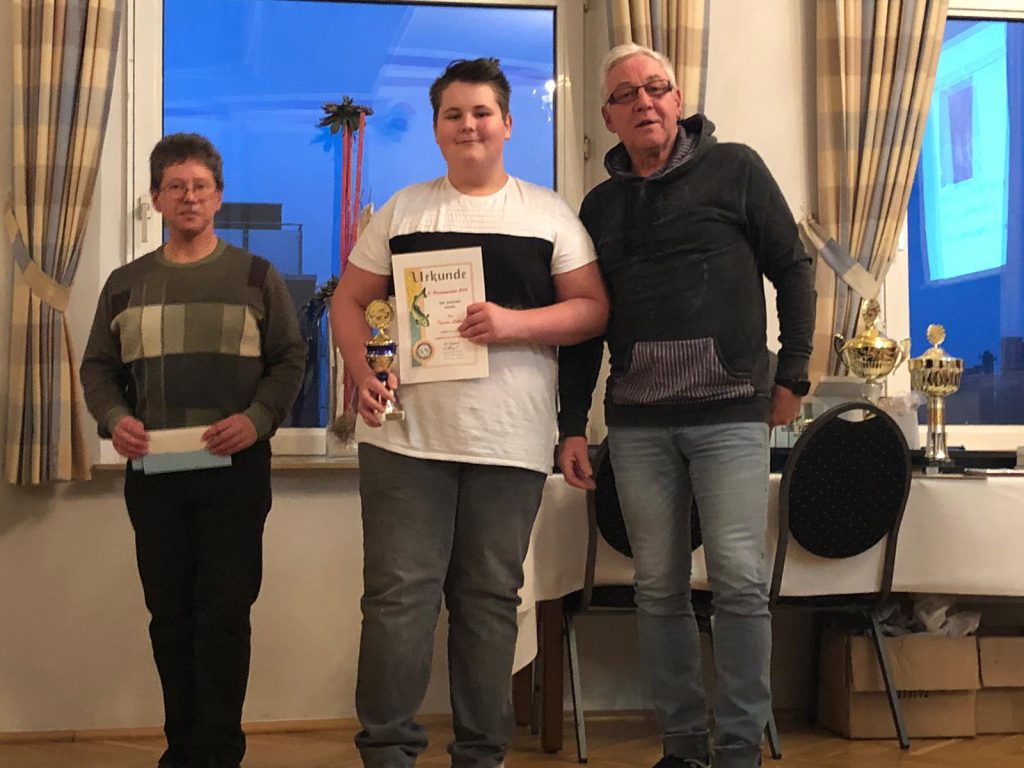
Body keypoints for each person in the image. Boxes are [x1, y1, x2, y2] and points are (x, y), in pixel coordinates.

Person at [330, 58, 608, 768]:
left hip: (509, 442)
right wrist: (362, 373)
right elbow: (349, 301)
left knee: (489, 601)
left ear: (507, 123)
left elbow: (591, 310)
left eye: (482, 112)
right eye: (453, 114)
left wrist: (513, 324)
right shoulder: (403, 211)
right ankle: (387, 753)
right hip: (403, 440)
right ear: (436, 129)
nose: (468, 125)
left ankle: (482, 755)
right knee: (397, 601)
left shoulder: (548, 213)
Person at [557, 44, 816, 768]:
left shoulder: (736, 168)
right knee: (657, 588)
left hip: (731, 413)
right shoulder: (598, 207)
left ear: (678, 99)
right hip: (637, 426)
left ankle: (738, 749)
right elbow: (584, 322)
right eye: (626, 94)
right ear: (607, 116)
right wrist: (571, 425)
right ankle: (682, 747)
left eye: (656, 88)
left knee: (738, 579)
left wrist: (794, 373)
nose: (643, 101)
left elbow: (793, 270)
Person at [80, 133, 305, 768]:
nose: (188, 197)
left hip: (237, 474)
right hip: (155, 476)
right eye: (175, 186)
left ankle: (219, 752)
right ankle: (182, 750)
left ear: (219, 197)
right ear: (155, 198)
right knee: (170, 617)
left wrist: (258, 420)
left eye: (200, 186)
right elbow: (98, 370)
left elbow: (291, 360)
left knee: (225, 616)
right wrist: (115, 420)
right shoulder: (125, 285)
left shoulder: (257, 277)